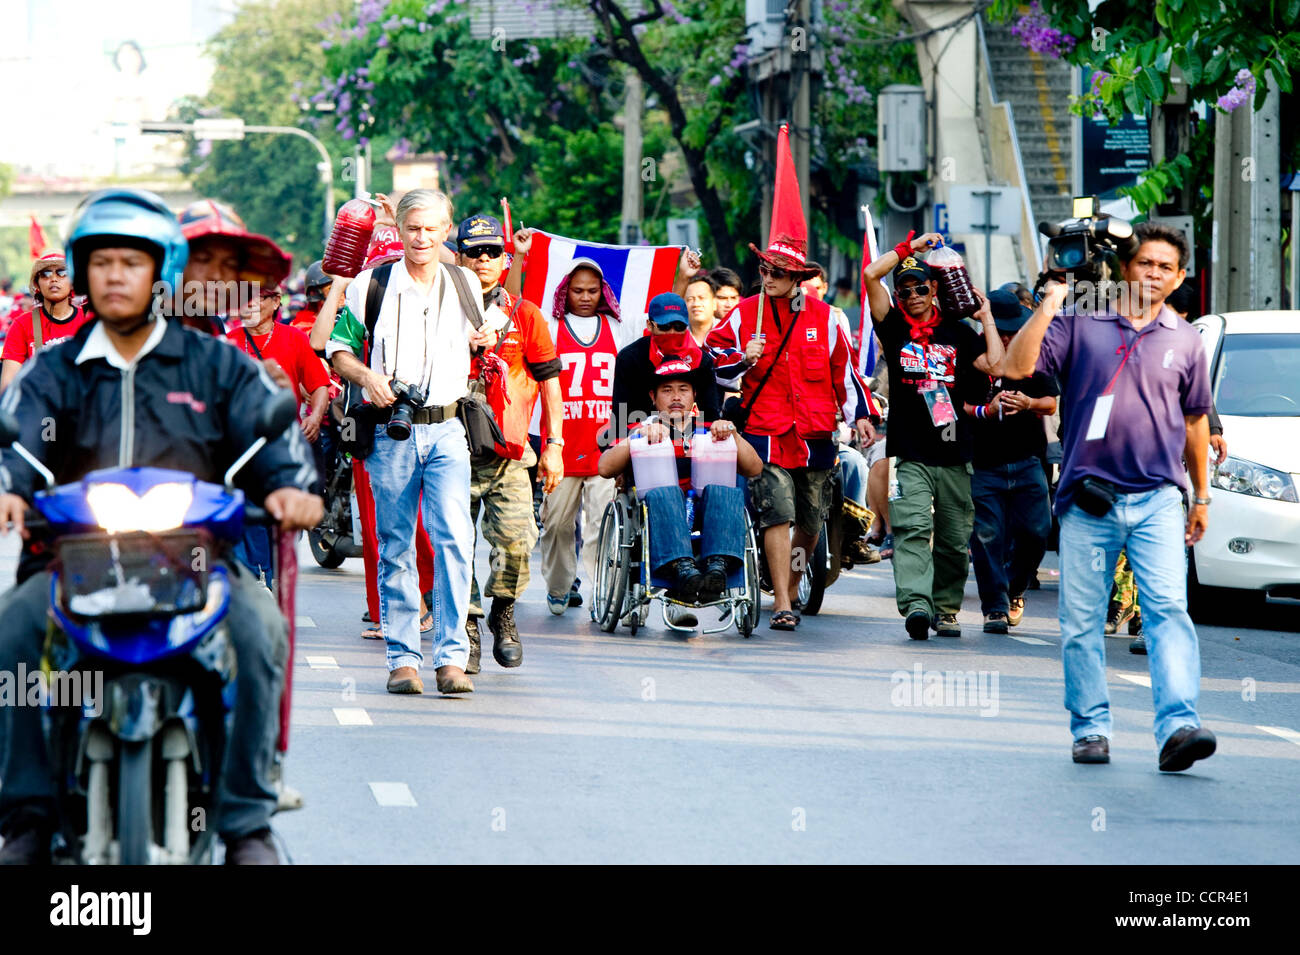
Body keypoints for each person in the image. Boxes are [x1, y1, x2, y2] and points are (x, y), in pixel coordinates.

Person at [0, 188, 321, 865]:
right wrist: (9, 486)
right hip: (69, 561)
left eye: (132, 263)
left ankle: (246, 820)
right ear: (83, 272)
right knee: (14, 630)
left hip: (197, 560)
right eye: (103, 262)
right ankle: (25, 813)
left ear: (160, 273)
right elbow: (19, 441)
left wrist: (292, 487)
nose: (116, 275)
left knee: (261, 628)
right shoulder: (53, 369)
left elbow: (271, 438)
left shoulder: (218, 365)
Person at [997, 222, 1217, 771]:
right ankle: (1091, 729)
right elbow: (1015, 368)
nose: (1154, 274)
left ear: (1179, 277)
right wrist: (1050, 302)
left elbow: (1194, 422)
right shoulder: (1079, 324)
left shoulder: (1186, 338)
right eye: (1145, 263)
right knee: (1081, 621)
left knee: (1168, 609)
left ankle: (1178, 727)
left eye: (1166, 267)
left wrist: (1202, 496)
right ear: (1126, 268)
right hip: (1088, 501)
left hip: (1159, 500)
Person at [328, 189, 498, 696]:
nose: (422, 238)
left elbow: (488, 331)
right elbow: (337, 348)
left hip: (448, 428)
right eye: (412, 229)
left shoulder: (465, 282)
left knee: (454, 539)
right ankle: (403, 659)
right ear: (398, 232)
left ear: (447, 232)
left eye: (432, 228)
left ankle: (451, 659)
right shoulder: (371, 284)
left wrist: (485, 339)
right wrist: (366, 377)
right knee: (396, 545)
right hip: (389, 431)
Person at [708, 232, 877, 630]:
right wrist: (740, 358)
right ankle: (782, 601)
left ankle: (792, 580)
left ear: (797, 277)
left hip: (815, 433)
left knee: (812, 523)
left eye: (778, 272)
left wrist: (862, 415)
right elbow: (711, 358)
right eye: (765, 269)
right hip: (766, 432)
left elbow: (845, 373)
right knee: (778, 513)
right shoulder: (745, 313)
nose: (768, 277)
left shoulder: (825, 318)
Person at [861, 233, 1004, 640]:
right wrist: (910, 249)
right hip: (909, 454)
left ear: (935, 288)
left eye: (920, 287)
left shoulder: (958, 332)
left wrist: (986, 317)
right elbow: (872, 274)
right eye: (904, 289)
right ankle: (917, 605)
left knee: (955, 540)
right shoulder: (892, 327)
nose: (912, 295)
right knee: (910, 529)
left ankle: (945, 609)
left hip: (956, 453)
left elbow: (996, 363)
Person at [455, 212, 564, 672]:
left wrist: (555, 444)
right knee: (453, 546)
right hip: (450, 450)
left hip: (511, 454)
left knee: (516, 541)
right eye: (474, 252)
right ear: (457, 257)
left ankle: (503, 611)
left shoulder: (525, 314)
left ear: (503, 260)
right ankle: (469, 625)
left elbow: (550, 383)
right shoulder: (439, 310)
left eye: (492, 252)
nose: (483, 259)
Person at [508, 234, 636, 615]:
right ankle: (560, 586)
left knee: (599, 524)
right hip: (558, 444)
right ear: (566, 291)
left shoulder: (618, 329)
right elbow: (514, 304)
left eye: (592, 290)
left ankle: (601, 592)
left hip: (604, 444)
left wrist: (680, 278)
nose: (585, 296)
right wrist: (518, 257)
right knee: (557, 524)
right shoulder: (548, 325)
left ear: (603, 293)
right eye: (578, 290)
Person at [598, 361, 762, 600]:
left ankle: (718, 565)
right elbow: (604, 468)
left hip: (708, 515)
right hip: (659, 514)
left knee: (725, 490)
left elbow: (755, 469)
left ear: (694, 395)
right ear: (653, 397)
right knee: (665, 492)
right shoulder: (640, 428)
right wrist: (637, 437)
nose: (676, 396)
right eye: (667, 390)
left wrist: (733, 435)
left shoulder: (712, 429)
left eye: (683, 389)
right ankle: (682, 567)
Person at [964, 290, 1058, 633]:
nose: (1006, 337)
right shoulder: (972, 349)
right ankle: (994, 608)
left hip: (1028, 459)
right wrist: (984, 410)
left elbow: (1051, 402)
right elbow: (958, 401)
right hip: (984, 462)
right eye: (1000, 330)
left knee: (1037, 532)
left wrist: (1028, 403)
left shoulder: (1035, 350)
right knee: (987, 537)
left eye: (1011, 330)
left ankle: (1016, 588)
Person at [611, 292, 721, 441]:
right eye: (665, 327)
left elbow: (710, 418)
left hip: (691, 442)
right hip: (641, 441)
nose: (672, 333)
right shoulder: (629, 359)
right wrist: (644, 430)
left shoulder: (702, 360)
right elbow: (621, 421)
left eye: (679, 326)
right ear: (649, 325)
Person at [1, 250, 94, 390]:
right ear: (37, 284)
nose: (54, 279)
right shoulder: (22, 325)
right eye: (46, 274)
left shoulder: (89, 322)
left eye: (62, 273)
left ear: (73, 283)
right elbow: (7, 387)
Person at [682, 273, 718, 345]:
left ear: (714, 303)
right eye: (690, 299)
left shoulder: (727, 332)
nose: (696, 304)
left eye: (702, 298)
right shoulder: (678, 337)